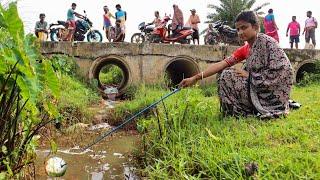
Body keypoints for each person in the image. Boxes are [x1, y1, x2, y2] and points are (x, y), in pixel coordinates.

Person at [180, 10, 293, 119]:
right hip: (255, 89)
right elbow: (222, 64)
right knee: (224, 73)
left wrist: (250, 76)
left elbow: (285, 70)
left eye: (244, 27)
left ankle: (251, 109)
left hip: (272, 95)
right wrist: (195, 78)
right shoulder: (245, 49)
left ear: (255, 27)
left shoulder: (266, 42)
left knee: (227, 75)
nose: (240, 32)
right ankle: (237, 111)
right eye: (238, 29)